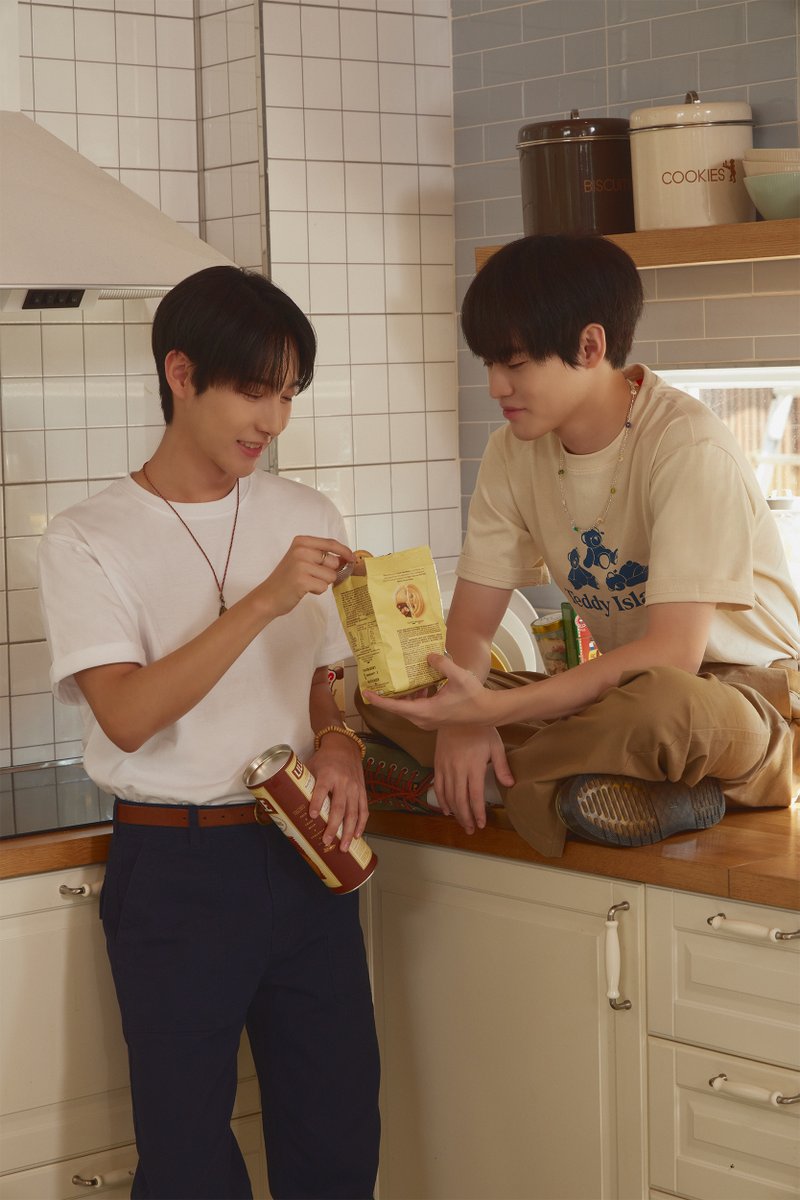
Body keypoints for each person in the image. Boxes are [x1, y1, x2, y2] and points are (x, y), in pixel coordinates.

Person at [38, 266, 381, 1200]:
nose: (272, 421)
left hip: (309, 854)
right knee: (188, 1162)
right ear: (181, 373)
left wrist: (341, 738)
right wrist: (263, 599)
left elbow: (328, 672)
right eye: (252, 390)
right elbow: (130, 713)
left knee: (339, 1136)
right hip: (177, 872)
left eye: (287, 395)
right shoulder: (87, 538)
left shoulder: (304, 510)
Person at [358, 234, 800, 857]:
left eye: (514, 364)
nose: (494, 386)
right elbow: (475, 625)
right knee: (389, 696)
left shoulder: (687, 445)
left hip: (742, 707)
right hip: (614, 698)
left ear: (589, 347)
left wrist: (481, 715)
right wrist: (468, 712)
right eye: (488, 363)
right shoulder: (511, 453)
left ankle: (498, 786)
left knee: (658, 707)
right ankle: (592, 791)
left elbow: (673, 657)